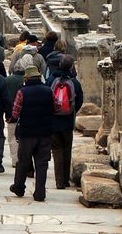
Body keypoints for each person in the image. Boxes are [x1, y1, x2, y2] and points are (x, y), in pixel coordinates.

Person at [9, 64, 53, 202]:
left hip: (27, 132)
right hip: (45, 132)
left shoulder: (23, 92)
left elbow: (15, 112)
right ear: (39, 76)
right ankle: (40, 192)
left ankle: (19, 187)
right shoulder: (48, 91)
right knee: (42, 163)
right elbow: (56, 107)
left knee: (23, 161)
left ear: (26, 78)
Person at [49, 54, 84, 189]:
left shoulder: (51, 80)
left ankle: (59, 181)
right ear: (71, 67)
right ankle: (65, 180)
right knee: (66, 149)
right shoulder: (75, 83)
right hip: (68, 121)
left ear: (59, 65)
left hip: (54, 120)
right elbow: (79, 101)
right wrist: (72, 110)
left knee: (57, 150)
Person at [5, 54, 33, 167]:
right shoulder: (27, 80)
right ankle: (25, 159)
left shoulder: (8, 80)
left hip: (11, 113)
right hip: (27, 114)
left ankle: (15, 160)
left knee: (12, 137)